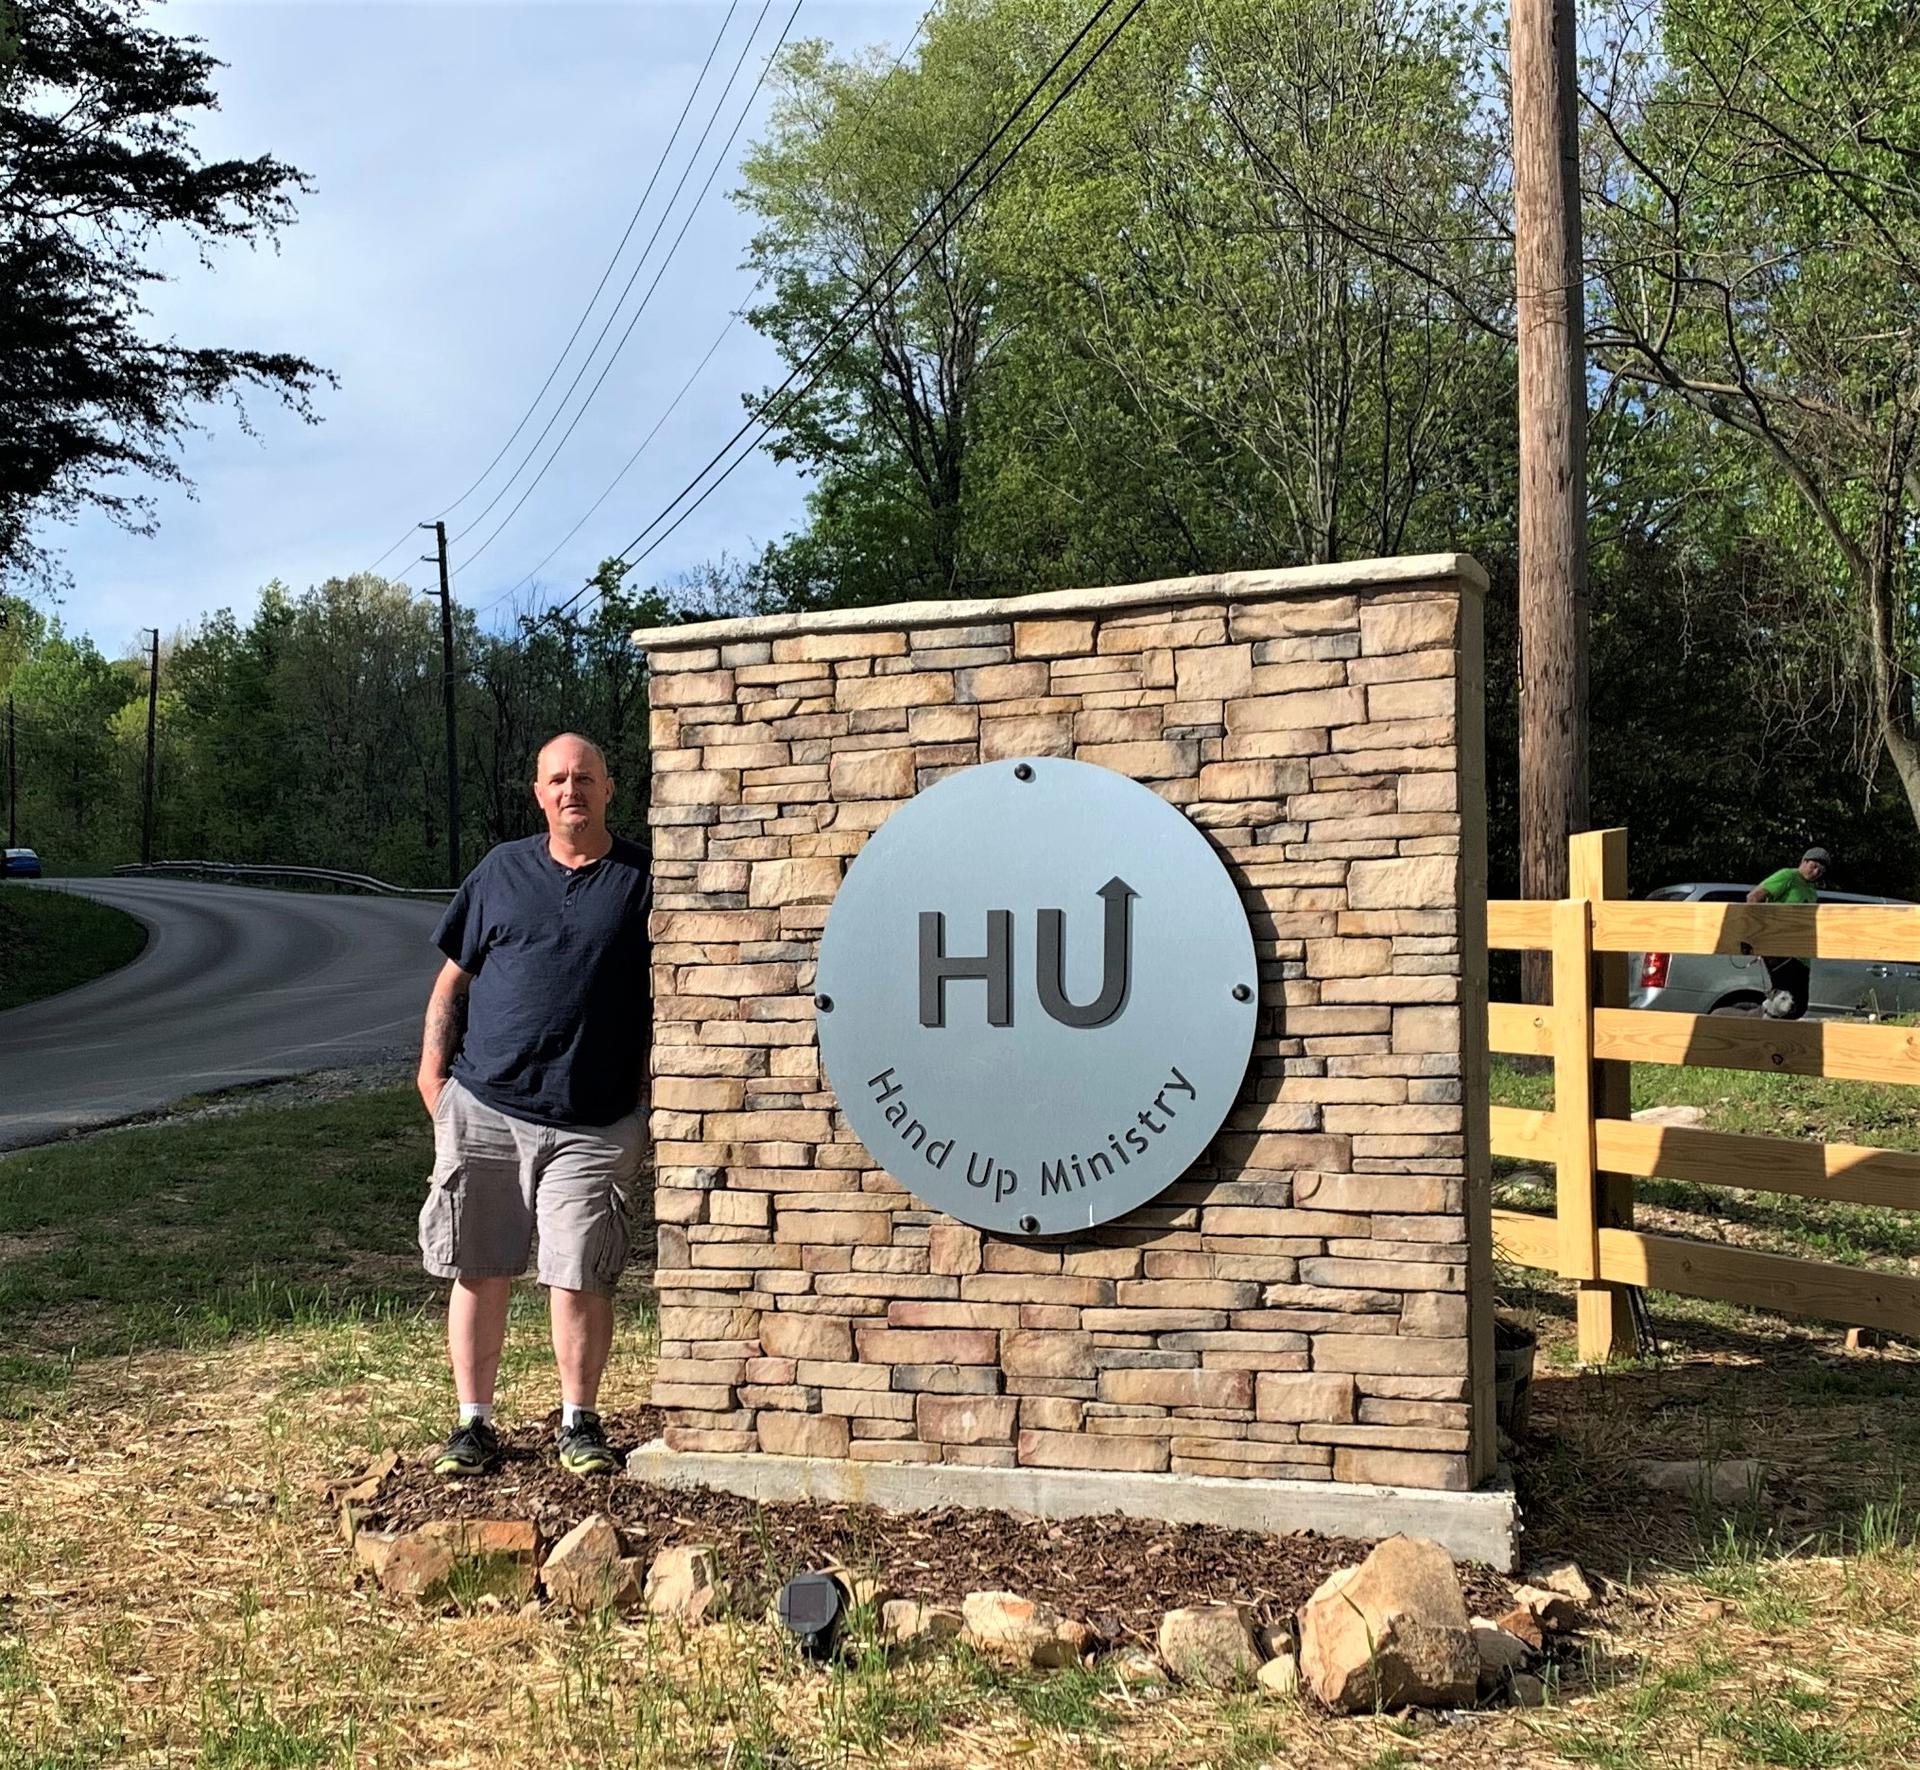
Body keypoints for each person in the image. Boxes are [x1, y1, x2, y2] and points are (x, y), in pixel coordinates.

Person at [416, 733, 651, 1478]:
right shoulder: (500, 872)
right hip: (487, 1107)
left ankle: (579, 1421)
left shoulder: (644, 880)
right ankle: (473, 1424)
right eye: (557, 779)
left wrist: (649, 1100)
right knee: (479, 1266)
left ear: (608, 788)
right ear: (539, 793)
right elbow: (451, 983)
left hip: (593, 1122)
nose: (570, 789)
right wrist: (433, 1078)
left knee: (579, 1272)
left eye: (584, 777)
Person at [1744, 846, 1831, 1020]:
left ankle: (1775, 1032)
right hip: (1780, 948)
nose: (1816, 872)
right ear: (1804, 861)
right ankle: (1764, 1030)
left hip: (1801, 953)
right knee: (1783, 1001)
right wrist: (1756, 932)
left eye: (1820, 871)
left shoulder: (1812, 891)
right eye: (1813, 866)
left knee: (1799, 1005)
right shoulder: (1788, 876)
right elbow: (1753, 897)